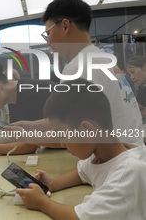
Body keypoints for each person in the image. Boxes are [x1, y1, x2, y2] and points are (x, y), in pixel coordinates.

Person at [9, 0, 143, 146]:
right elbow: (69, 116)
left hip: (115, 161)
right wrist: (30, 126)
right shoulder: (103, 58)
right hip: (133, 153)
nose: (49, 42)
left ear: (65, 26)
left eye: (48, 34)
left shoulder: (77, 68)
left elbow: (70, 134)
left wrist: (25, 136)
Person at [16, 79, 146, 220]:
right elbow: (82, 172)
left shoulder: (128, 172)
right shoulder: (101, 155)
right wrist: (52, 183)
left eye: (63, 134)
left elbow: (78, 217)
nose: (63, 144)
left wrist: (42, 202)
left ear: (87, 129)